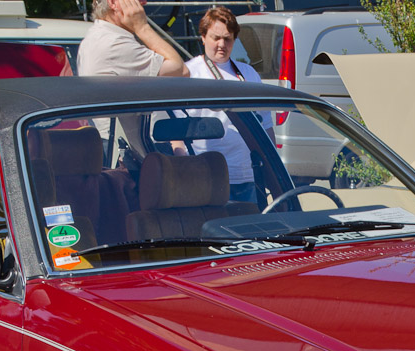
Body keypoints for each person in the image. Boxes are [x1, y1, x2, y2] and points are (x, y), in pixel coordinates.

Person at [184, 6, 273, 204]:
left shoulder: (249, 73)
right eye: (216, 38)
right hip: (208, 177)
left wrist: (272, 169)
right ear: (203, 37)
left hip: (249, 175)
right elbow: (177, 135)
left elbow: (266, 125)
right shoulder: (189, 73)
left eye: (228, 39)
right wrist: (186, 171)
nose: (222, 44)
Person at [77, 0, 188, 78]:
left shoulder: (99, 35)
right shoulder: (114, 44)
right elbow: (181, 71)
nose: (144, 2)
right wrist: (142, 28)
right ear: (113, 2)